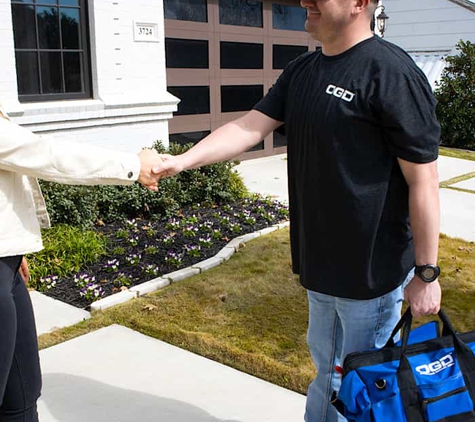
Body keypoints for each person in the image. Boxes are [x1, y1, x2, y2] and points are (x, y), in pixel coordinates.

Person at [154, 0, 442, 421]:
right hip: (319, 267)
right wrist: (180, 161)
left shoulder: (391, 72)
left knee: (365, 386)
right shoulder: (302, 72)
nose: (305, 1)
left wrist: (426, 272)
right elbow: (248, 127)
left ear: (359, 3)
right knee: (329, 375)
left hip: (370, 274)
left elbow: (424, 180)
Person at [0, 103, 162, 421]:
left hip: (7, 264)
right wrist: (133, 166)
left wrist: (14, 247)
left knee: (23, 392)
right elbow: (43, 154)